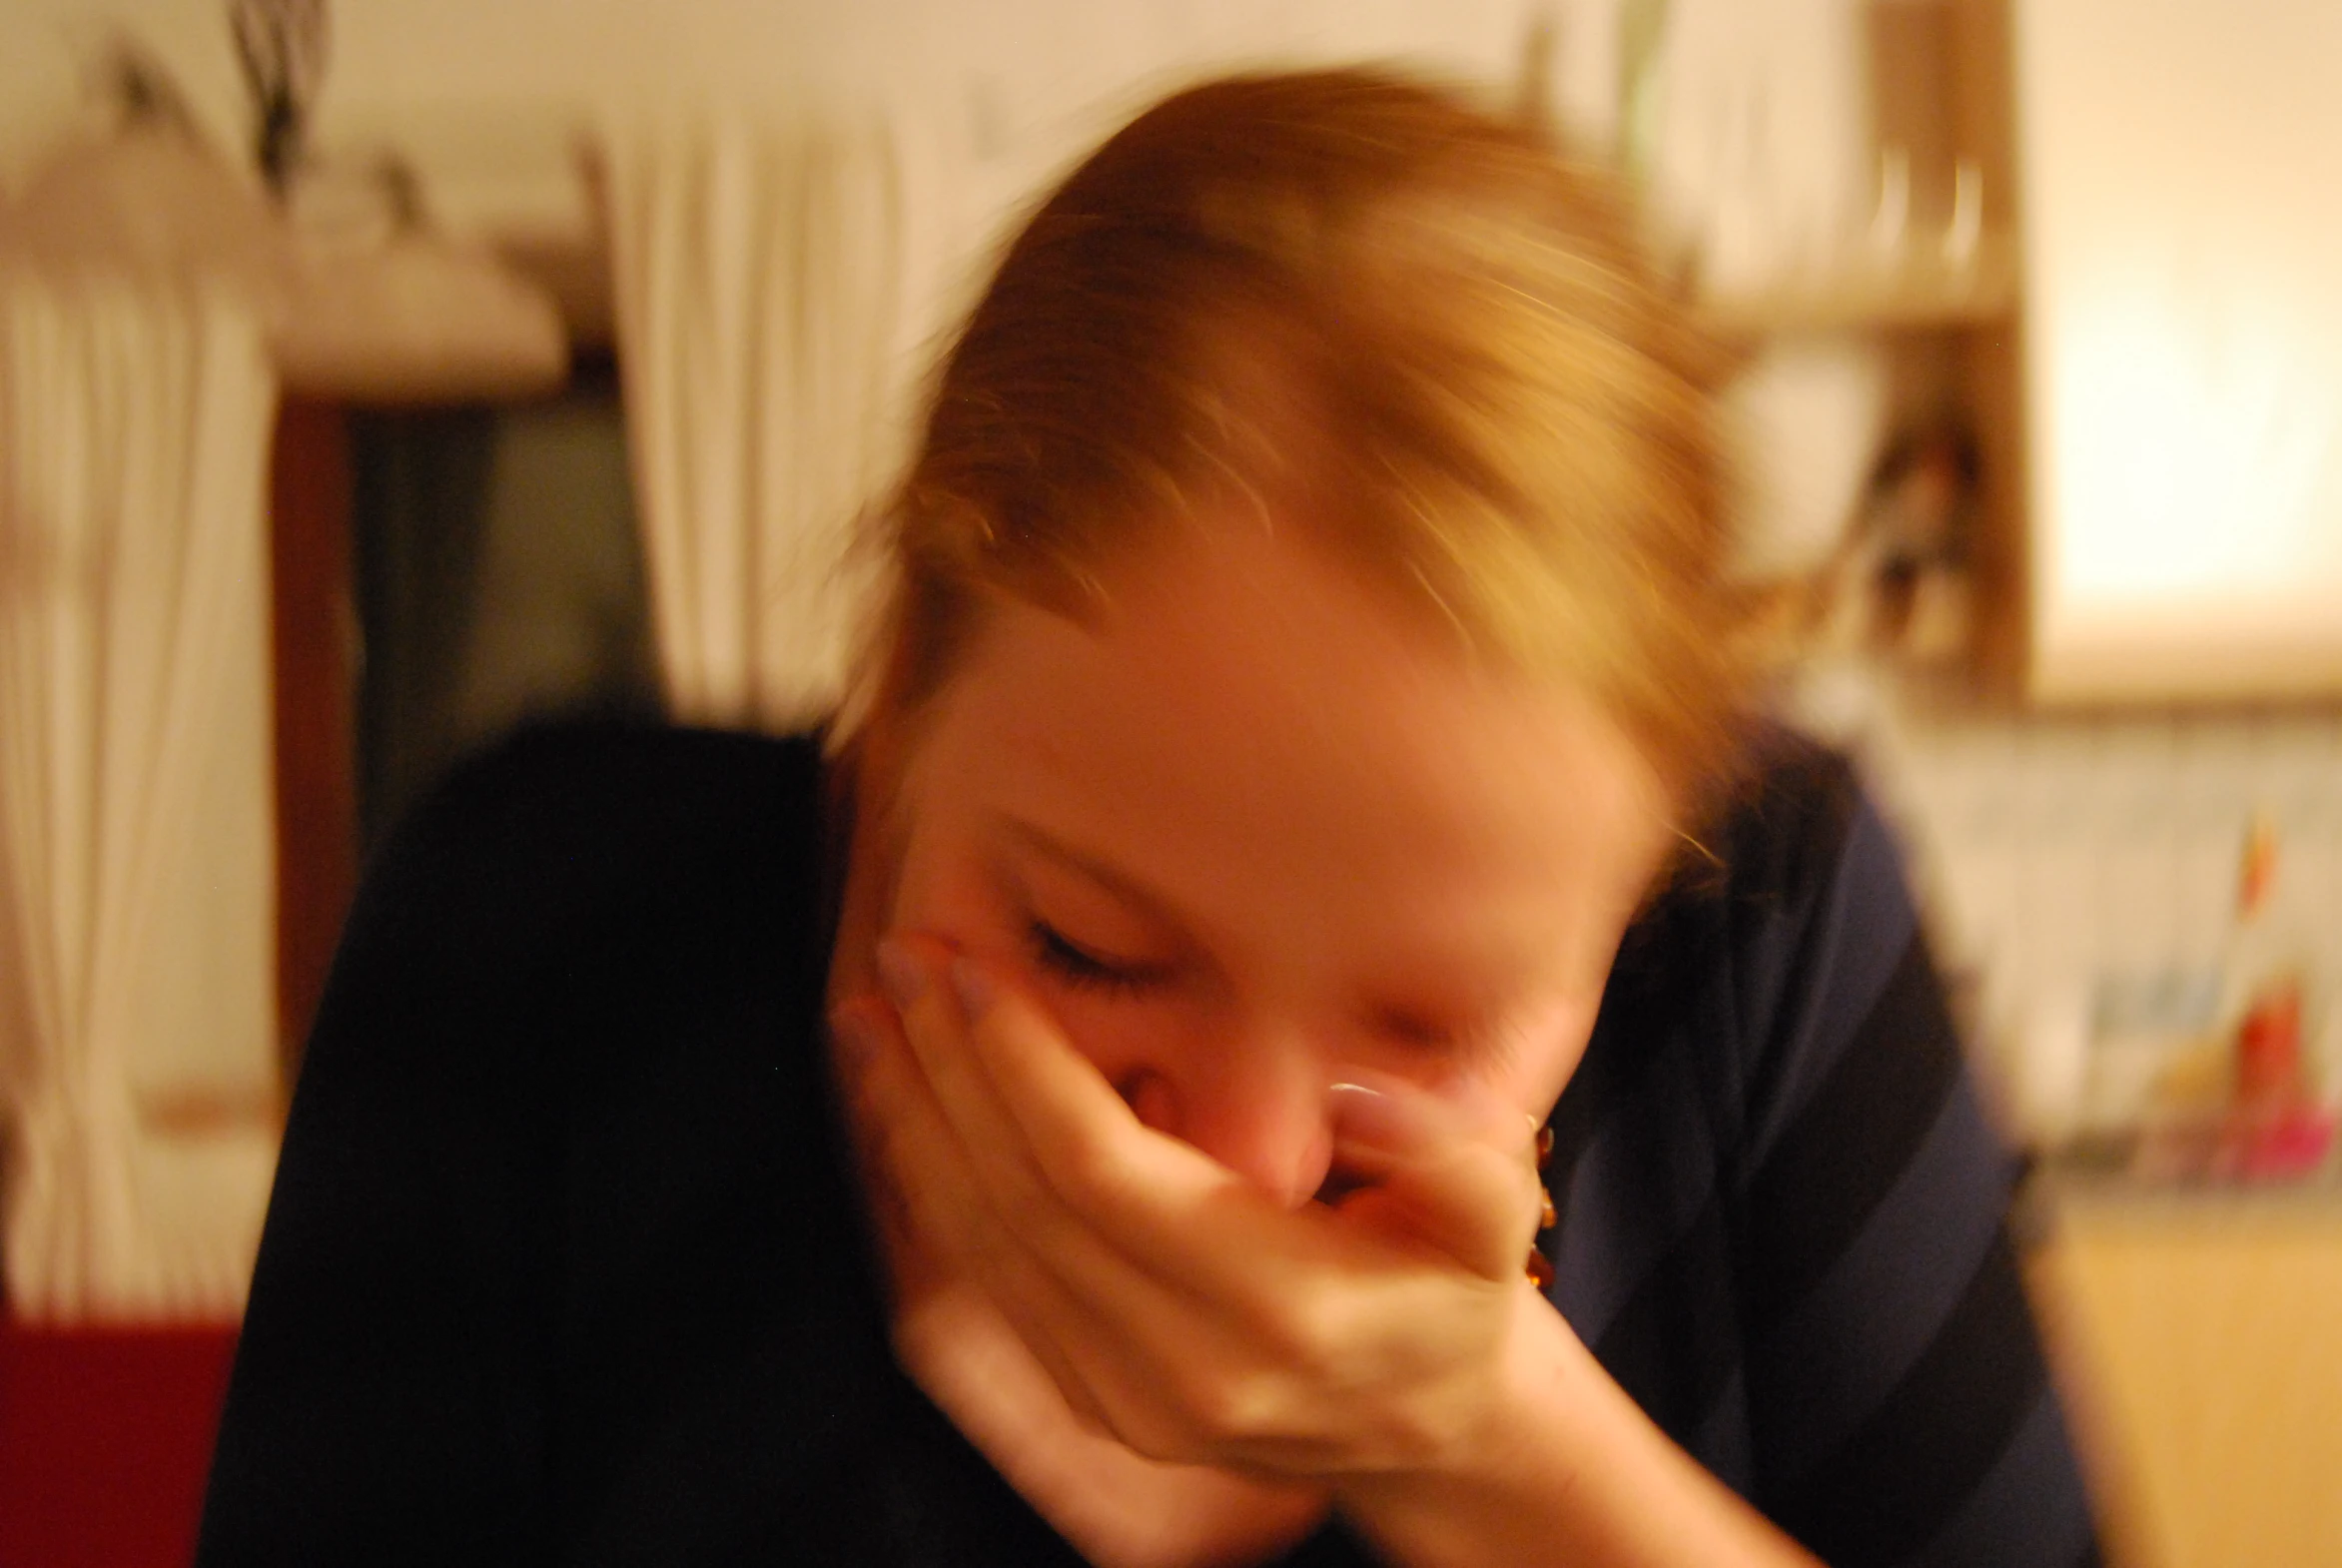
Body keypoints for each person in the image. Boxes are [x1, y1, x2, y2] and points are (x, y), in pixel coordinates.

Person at [197, 71, 2101, 1568]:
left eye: (1430, 1023)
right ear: (899, 684)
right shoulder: (547, 938)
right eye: (1089, 947)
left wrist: (1495, 1451)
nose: (1255, 1164)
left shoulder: (1762, 915)